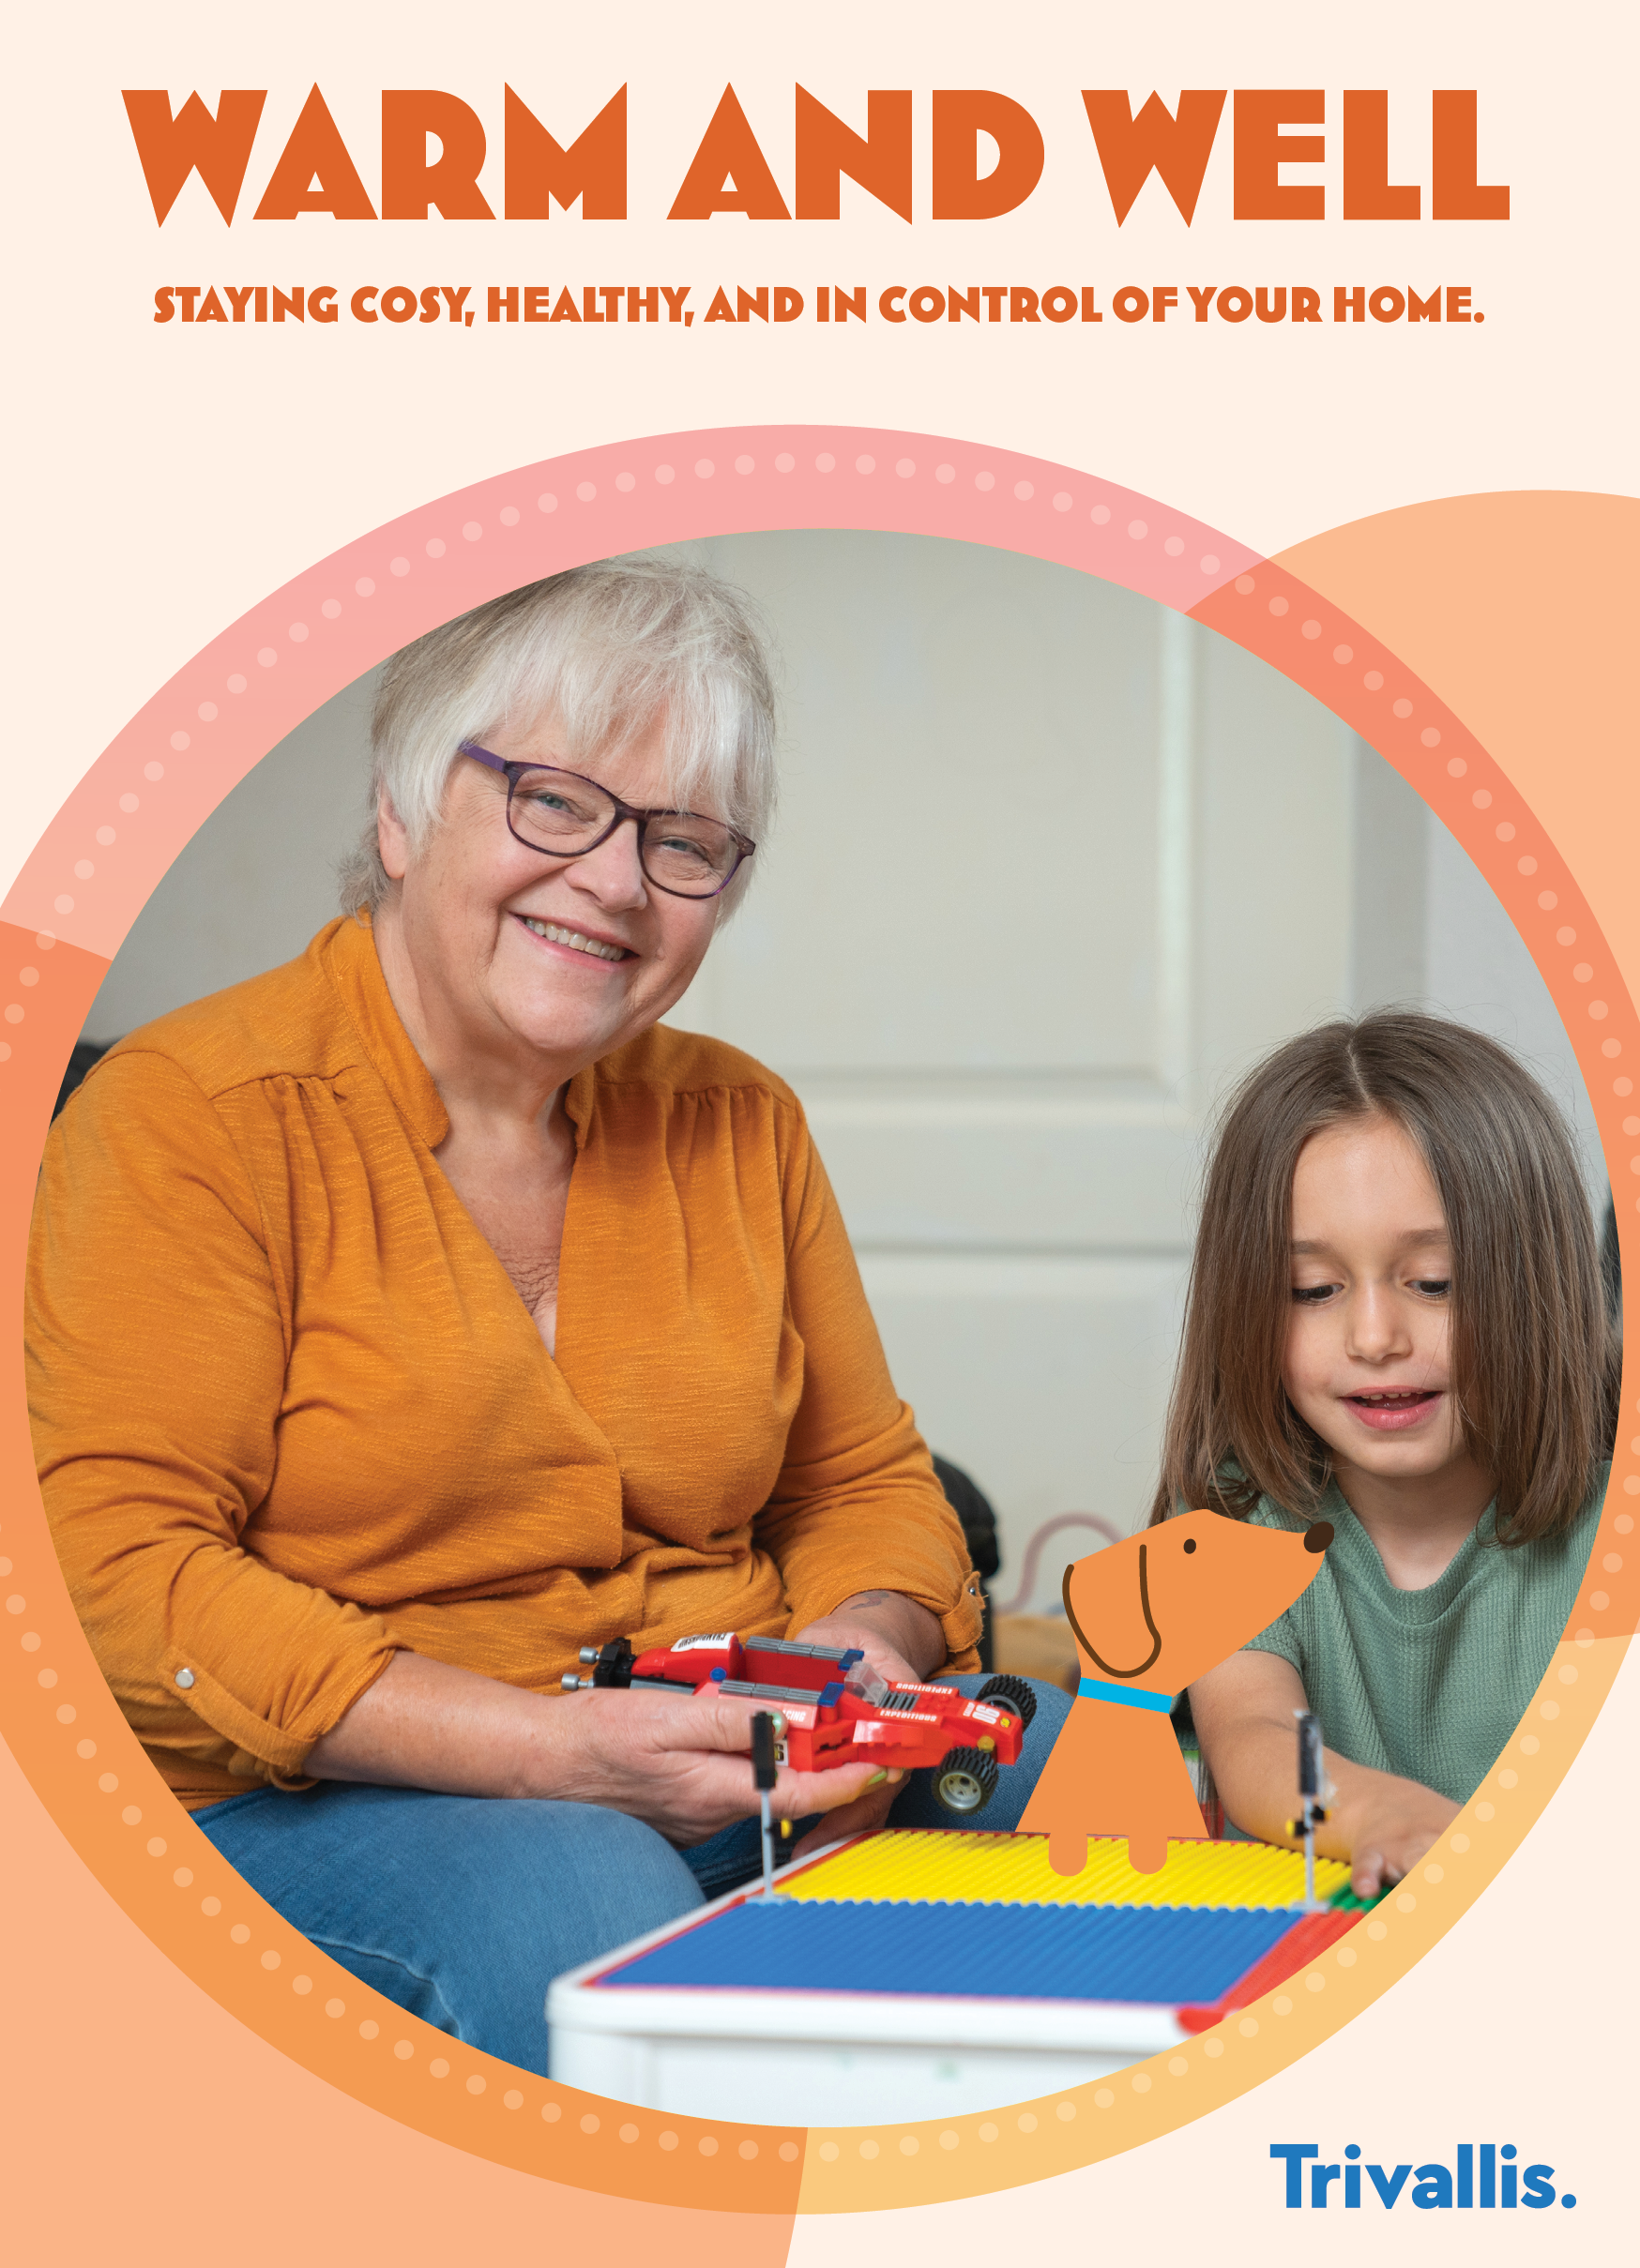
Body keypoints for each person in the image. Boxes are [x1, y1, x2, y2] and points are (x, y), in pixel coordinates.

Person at [28, 557, 1071, 2076]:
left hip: (719, 1756)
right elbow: (123, 1576)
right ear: (396, 813)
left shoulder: (742, 1123)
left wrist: (851, 1654)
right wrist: (558, 1760)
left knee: (1051, 1756)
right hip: (310, 1801)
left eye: (683, 841)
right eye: (553, 802)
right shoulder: (183, 1120)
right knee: (587, 1889)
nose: (616, 882)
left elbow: (860, 1485)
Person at [1154, 1012, 1615, 1899]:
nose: (1374, 1336)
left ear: (1540, 1279)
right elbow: (1250, 1737)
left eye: (1433, 1284)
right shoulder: (1226, 1532)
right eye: (1313, 1290)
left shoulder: (1609, 1527)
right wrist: (1380, 1819)